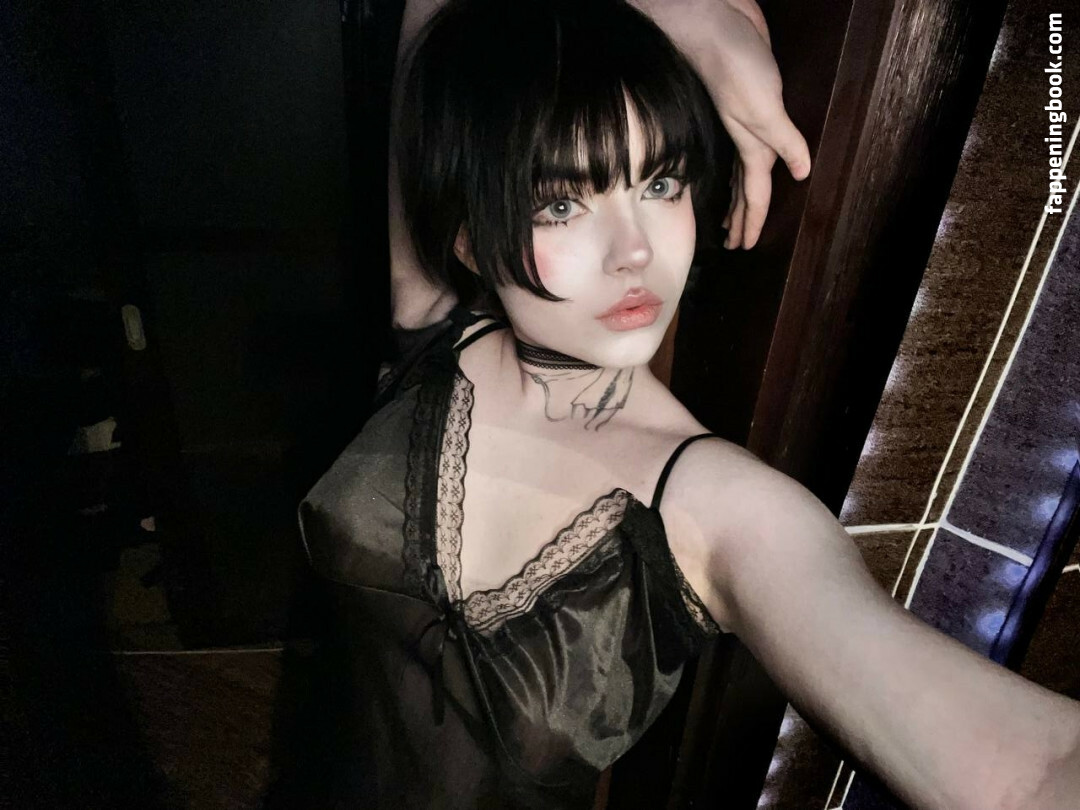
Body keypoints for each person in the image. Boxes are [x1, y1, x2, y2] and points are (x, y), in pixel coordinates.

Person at [297, 1, 1080, 808]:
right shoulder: (431, 318)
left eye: (660, 182)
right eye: (561, 203)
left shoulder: (721, 509)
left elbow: (1031, 771)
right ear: (467, 238)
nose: (636, 251)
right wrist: (683, 15)